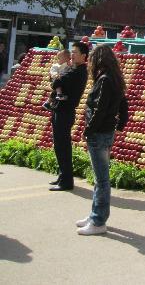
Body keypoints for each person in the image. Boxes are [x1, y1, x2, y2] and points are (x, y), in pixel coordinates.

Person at [77, 45, 128, 236]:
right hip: (106, 131)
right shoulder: (114, 78)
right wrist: (120, 124)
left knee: (102, 179)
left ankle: (98, 220)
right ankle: (94, 214)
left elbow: (100, 109)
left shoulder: (105, 80)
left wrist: (89, 130)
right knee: (100, 178)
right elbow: (123, 105)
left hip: (99, 133)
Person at [50, 41, 89, 191]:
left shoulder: (79, 71)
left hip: (66, 111)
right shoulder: (72, 68)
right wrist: (56, 78)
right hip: (59, 108)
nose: (72, 55)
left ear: (83, 56)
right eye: (71, 52)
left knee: (63, 146)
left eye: (75, 52)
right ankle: (62, 175)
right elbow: (57, 79)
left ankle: (66, 181)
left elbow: (57, 80)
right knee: (58, 145)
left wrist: (56, 77)